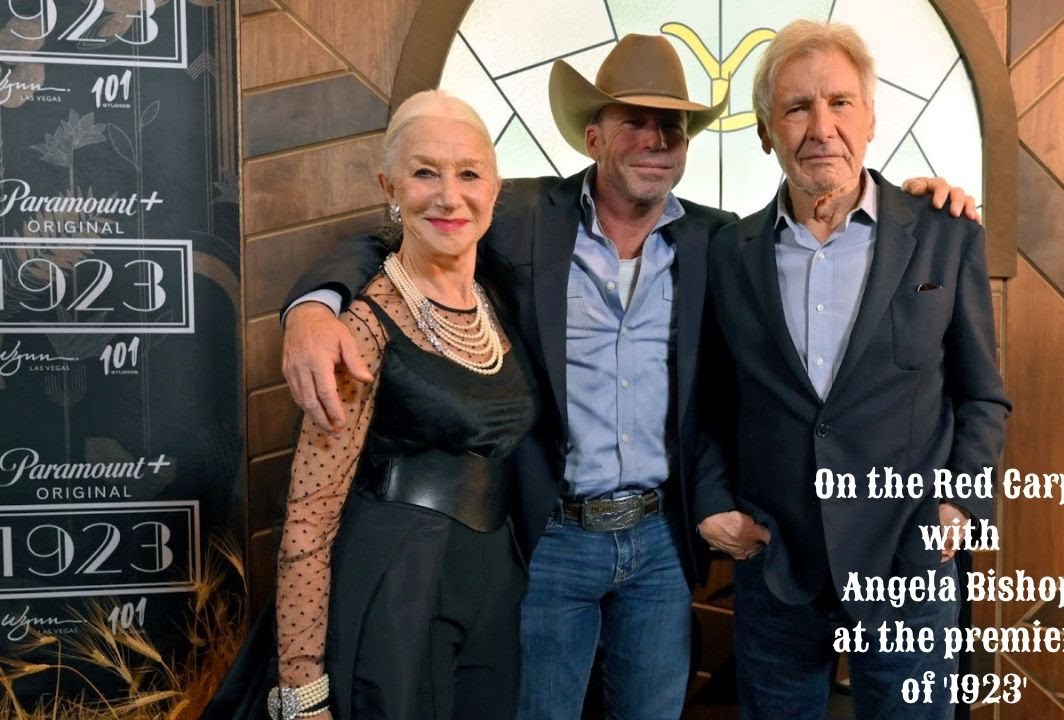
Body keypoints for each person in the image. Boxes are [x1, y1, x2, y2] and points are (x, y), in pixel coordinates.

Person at [279, 35, 977, 720]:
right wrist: (314, 305)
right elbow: (402, 227)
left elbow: (730, 393)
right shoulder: (519, 216)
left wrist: (926, 196)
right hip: (551, 539)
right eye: (634, 122)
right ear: (592, 137)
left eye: (671, 126)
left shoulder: (719, 241)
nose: (655, 139)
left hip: (659, 546)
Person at [694, 19, 1011, 720]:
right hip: (776, 565)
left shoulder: (944, 232)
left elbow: (983, 395)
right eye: (797, 107)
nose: (821, 126)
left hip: (909, 558)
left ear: (870, 118)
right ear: (766, 130)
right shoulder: (729, 252)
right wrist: (713, 499)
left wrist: (959, 503)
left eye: (839, 102)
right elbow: (712, 401)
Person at [268, 90, 535, 720]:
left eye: (469, 173)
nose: (449, 196)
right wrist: (301, 687)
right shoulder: (358, 326)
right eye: (424, 173)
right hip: (398, 586)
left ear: (495, 189)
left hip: (497, 583)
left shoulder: (501, 298)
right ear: (390, 185)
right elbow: (308, 514)